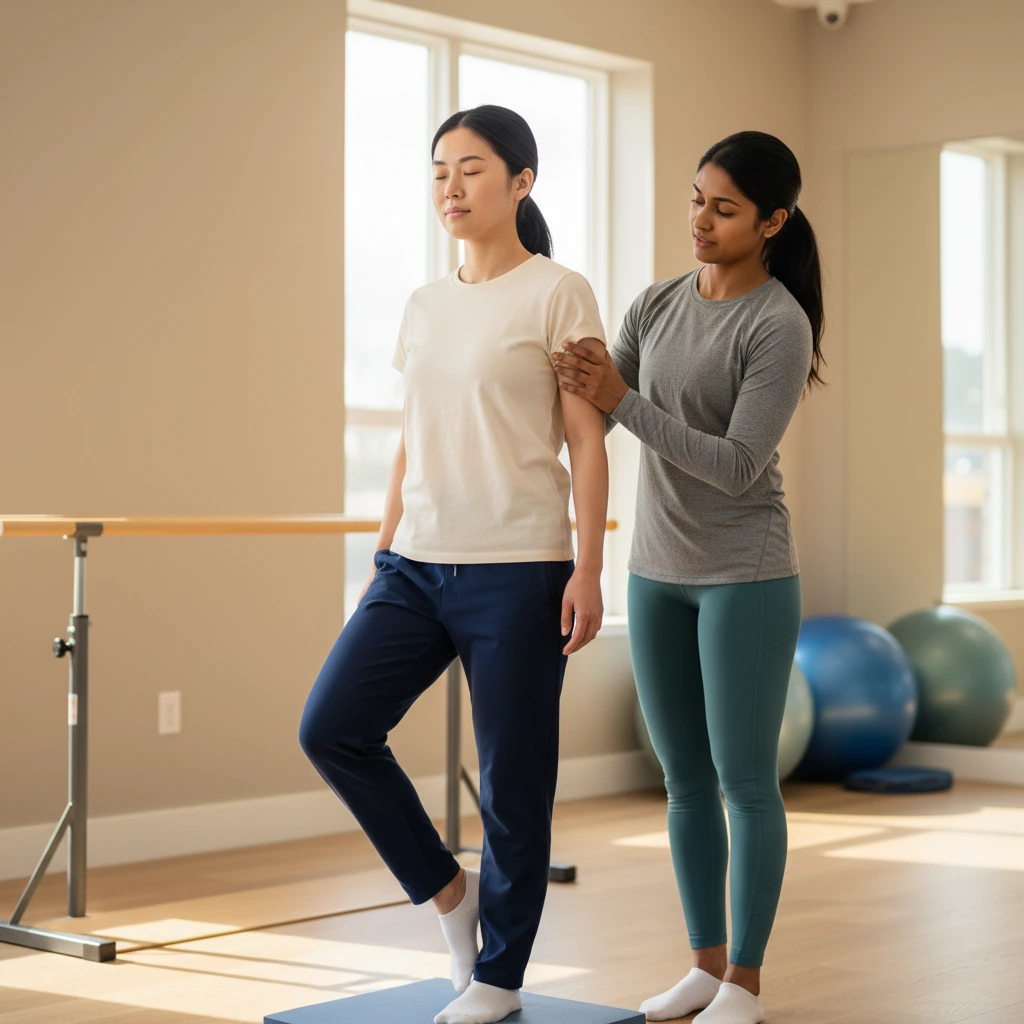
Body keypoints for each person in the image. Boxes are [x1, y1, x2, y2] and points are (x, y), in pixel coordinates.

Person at [299, 105, 609, 1024]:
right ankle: (448, 896)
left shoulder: (560, 292)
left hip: (520, 568)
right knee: (332, 729)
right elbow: (410, 441)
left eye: (471, 169)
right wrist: (382, 549)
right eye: (440, 170)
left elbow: (587, 446)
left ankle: (501, 979)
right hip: (416, 566)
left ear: (521, 182)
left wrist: (588, 569)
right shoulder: (425, 304)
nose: (450, 187)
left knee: (513, 783)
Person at [553, 131, 825, 1024]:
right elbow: (600, 412)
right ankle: (704, 969)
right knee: (682, 780)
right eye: (696, 198)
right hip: (655, 569)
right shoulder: (658, 301)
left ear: (772, 221)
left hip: (743, 574)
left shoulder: (777, 322)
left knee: (746, 779)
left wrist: (621, 399)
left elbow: (740, 463)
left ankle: (744, 982)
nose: (700, 221)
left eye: (724, 208)